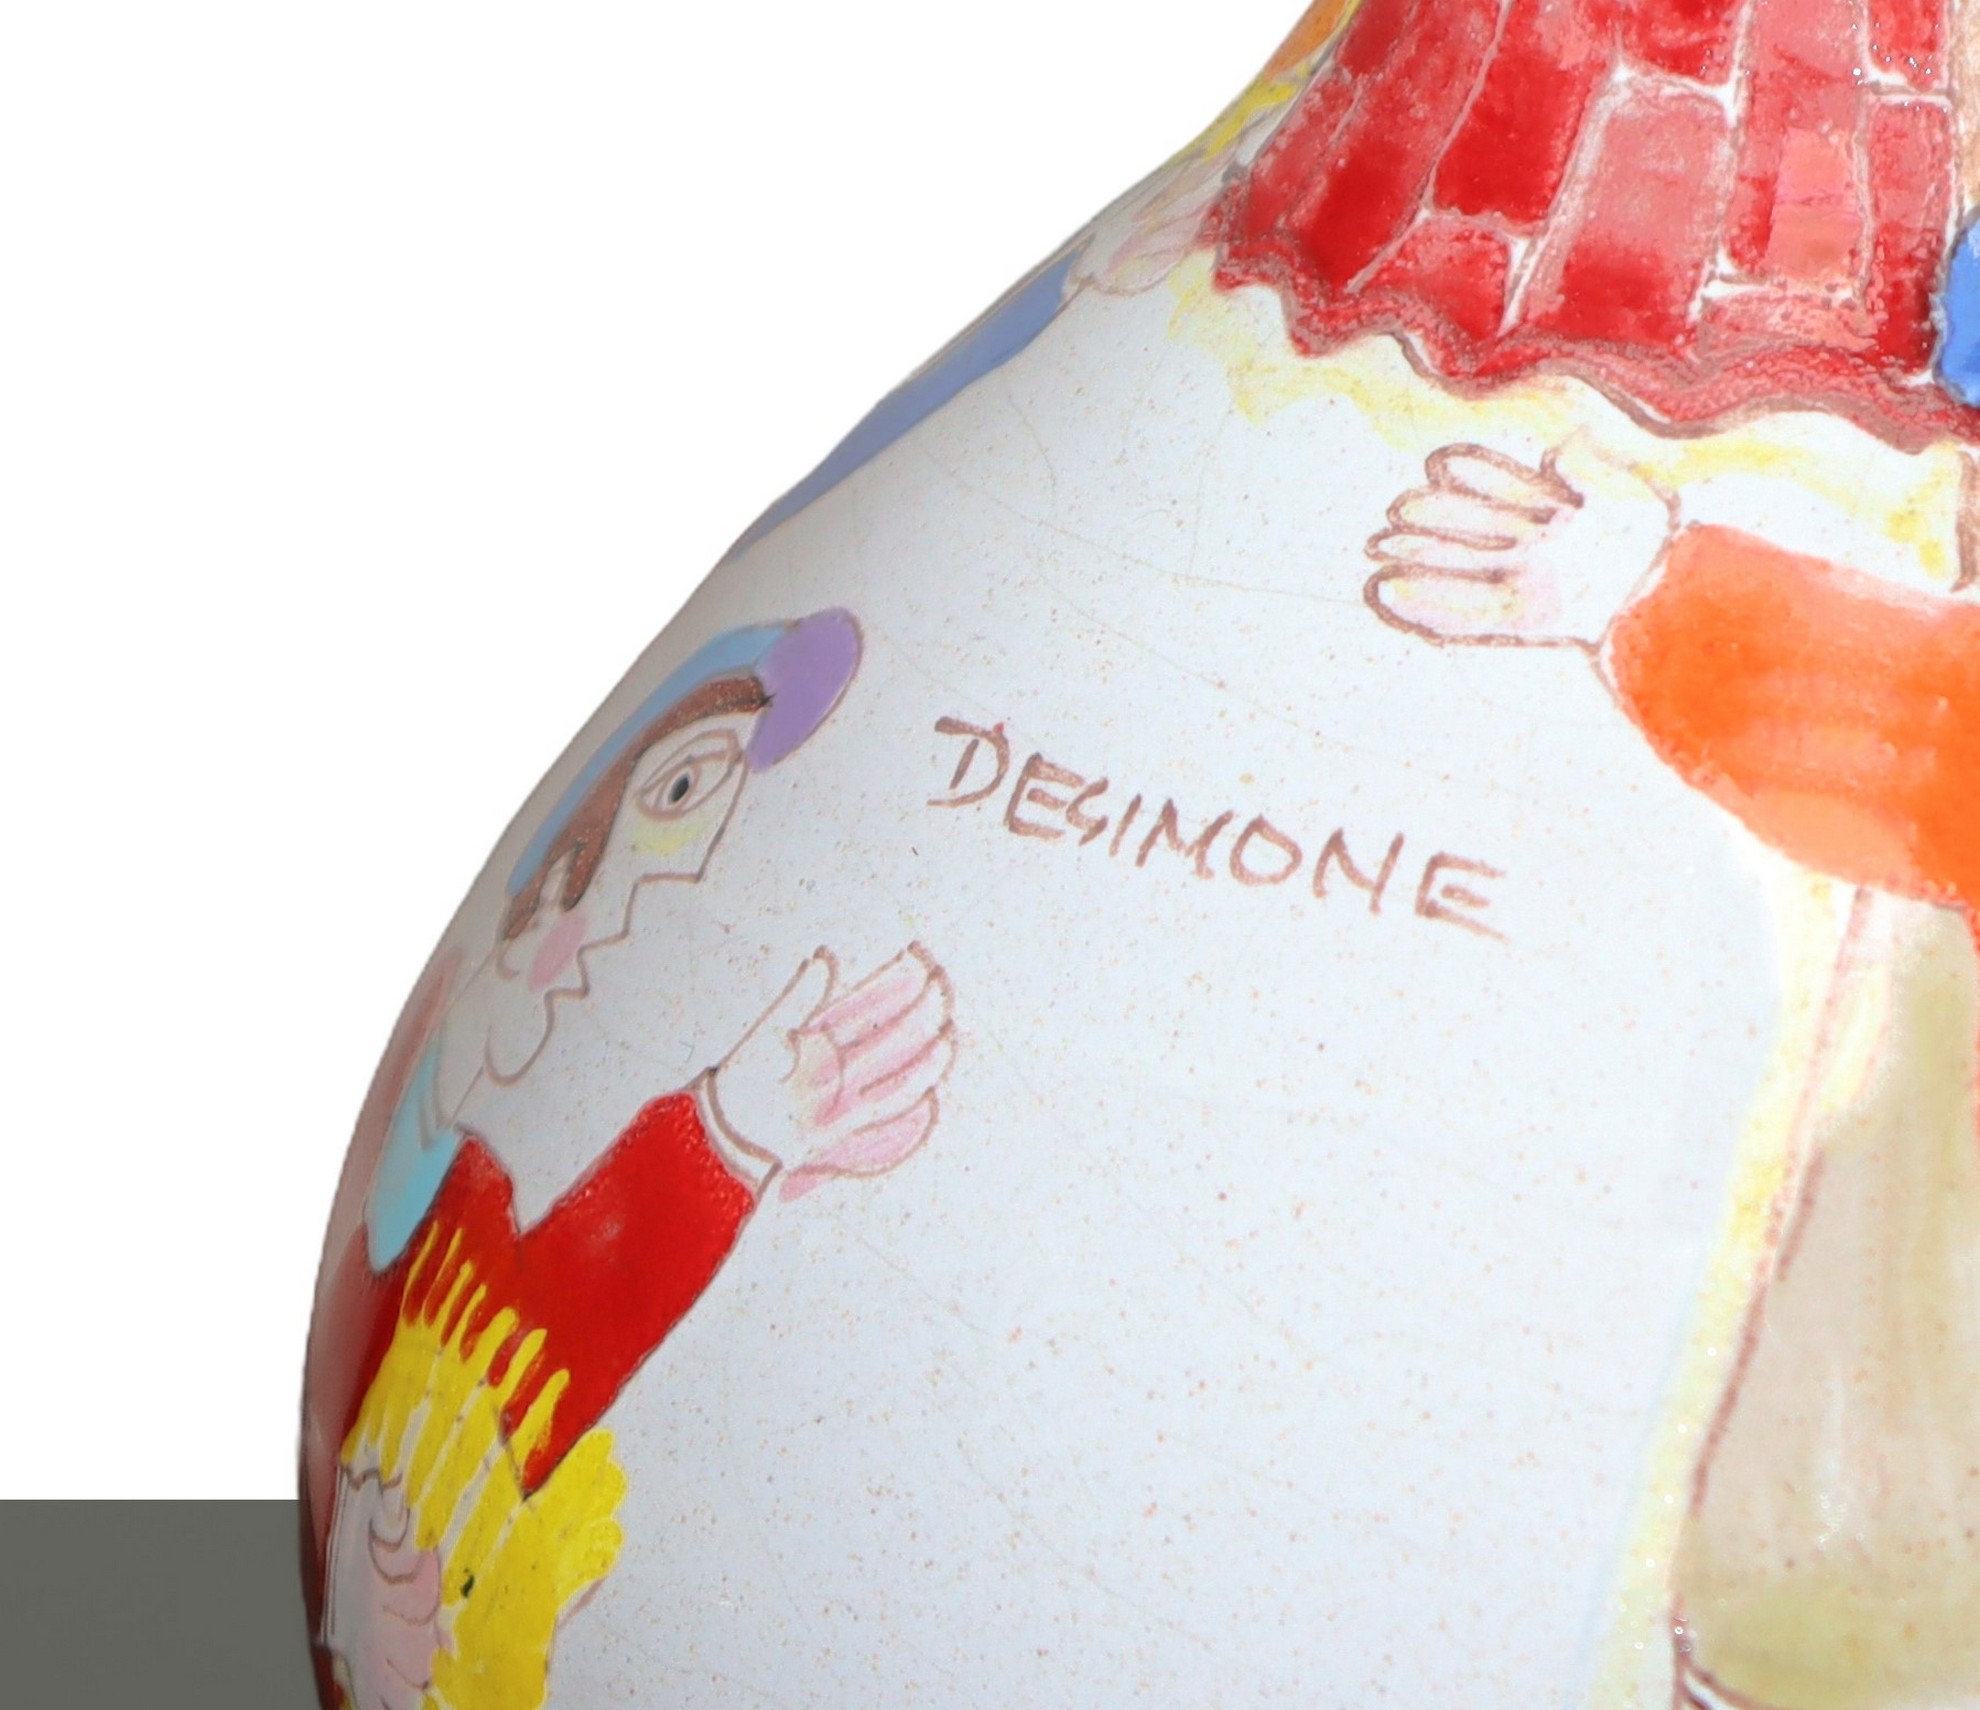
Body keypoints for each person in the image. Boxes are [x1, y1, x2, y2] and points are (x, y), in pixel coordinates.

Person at [301, 609, 957, 1710]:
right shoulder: (461, 1176)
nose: (616, 927)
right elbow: (548, 1325)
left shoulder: (475, 1201)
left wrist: (730, 1136)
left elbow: (565, 1327)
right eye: (676, 795)